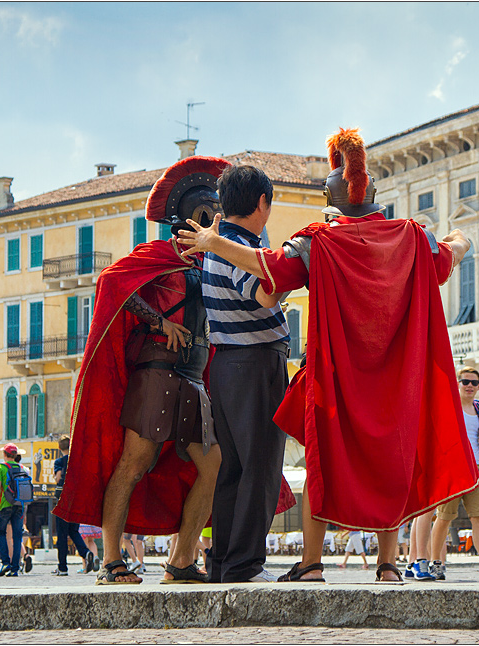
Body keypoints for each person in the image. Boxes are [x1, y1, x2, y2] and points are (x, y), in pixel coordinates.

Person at [179, 127, 476, 583]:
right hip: (396, 378)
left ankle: (311, 564)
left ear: (329, 198)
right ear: (373, 194)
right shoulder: (413, 238)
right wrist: (461, 241)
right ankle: (388, 566)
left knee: (321, 457)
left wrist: (214, 244)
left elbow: (272, 273)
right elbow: (447, 258)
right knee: (389, 462)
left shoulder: (318, 240)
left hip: (335, 375)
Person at [55, 156, 279, 584]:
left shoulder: (211, 259)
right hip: (155, 372)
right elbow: (112, 284)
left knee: (213, 467)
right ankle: (110, 561)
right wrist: (159, 322)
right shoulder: (157, 254)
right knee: (134, 461)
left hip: (194, 378)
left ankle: (180, 560)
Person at [196, 163, 293, 584]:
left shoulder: (220, 243)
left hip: (228, 366)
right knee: (261, 466)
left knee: (234, 469)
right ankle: (244, 565)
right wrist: (292, 271)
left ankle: (223, 563)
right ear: (262, 203)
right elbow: (265, 293)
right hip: (255, 365)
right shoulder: (239, 246)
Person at [429, 368, 479, 582]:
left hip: (477, 468)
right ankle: (436, 562)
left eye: (473, 382)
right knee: (444, 518)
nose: (469, 386)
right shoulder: (449, 408)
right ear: (458, 384)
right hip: (452, 469)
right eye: (465, 382)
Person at [51, 436, 96, 576]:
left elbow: (58, 478)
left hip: (63, 499)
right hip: (76, 499)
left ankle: (62, 568)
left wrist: (56, 478)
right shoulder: (77, 461)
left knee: (62, 535)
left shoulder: (59, 461)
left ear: (59, 448)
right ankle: (86, 552)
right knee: (73, 531)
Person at [0, 443, 26, 577]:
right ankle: (15, 568)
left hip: (4, 505)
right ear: (15, 455)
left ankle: (5, 563)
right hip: (19, 505)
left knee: (1, 533)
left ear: (5, 454)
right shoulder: (22, 468)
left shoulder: (0, 468)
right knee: (17, 537)